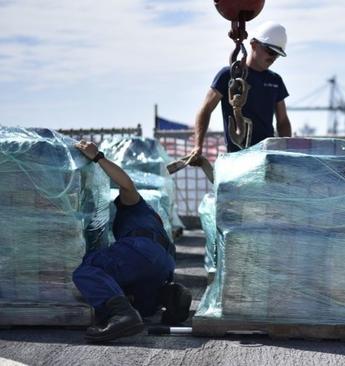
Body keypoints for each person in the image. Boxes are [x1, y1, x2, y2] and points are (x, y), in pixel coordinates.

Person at [72, 140, 192, 343]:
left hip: (141, 250)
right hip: (163, 264)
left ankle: (121, 316)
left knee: (88, 270)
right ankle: (169, 295)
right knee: (141, 307)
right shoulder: (149, 213)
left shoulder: (131, 203)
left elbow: (126, 184)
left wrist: (98, 157)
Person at [190, 21, 292, 159]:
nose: (273, 57)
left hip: (266, 157)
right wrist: (198, 145)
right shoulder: (228, 75)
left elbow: (283, 121)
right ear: (253, 44)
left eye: (277, 54)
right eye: (270, 51)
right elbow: (206, 109)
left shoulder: (275, 81)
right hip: (237, 157)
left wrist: (288, 151)